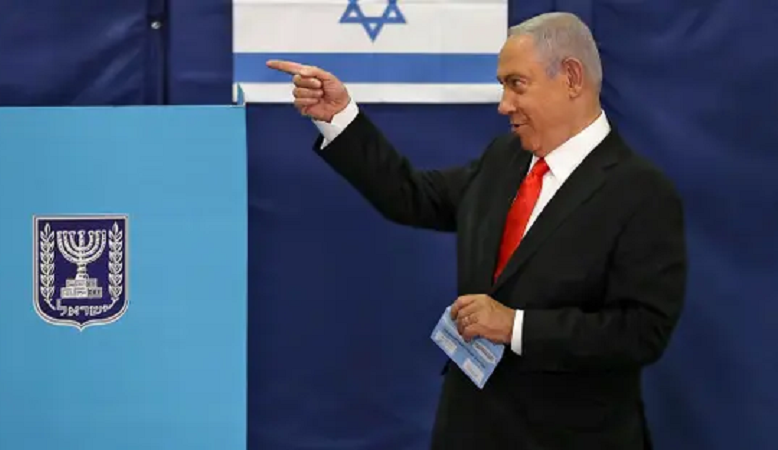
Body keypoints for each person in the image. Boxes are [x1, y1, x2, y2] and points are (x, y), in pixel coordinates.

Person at [267, 11, 687, 450]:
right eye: (502, 86)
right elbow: (411, 195)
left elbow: (641, 332)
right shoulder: (503, 159)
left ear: (571, 78)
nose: (504, 104)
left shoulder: (641, 193)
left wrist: (515, 326)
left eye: (516, 84)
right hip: (469, 428)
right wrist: (339, 117)